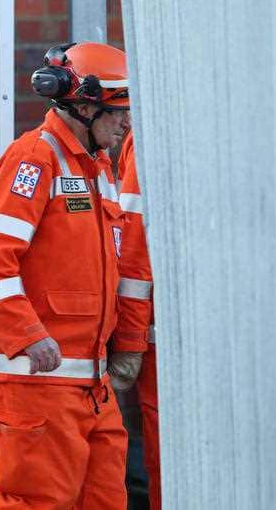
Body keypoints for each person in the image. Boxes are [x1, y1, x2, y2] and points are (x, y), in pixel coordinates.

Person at [0, 41, 142, 509]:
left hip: (88, 381)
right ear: (84, 106)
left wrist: (125, 343)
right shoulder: (33, 159)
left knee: (104, 499)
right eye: (118, 111)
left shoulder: (99, 167)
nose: (126, 123)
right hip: (36, 378)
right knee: (35, 500)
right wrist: (27, 335)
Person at [116, 132, 159, 509]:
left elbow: (131, 246)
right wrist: (130, 341)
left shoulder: (150, 135)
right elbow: (133, 249)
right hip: (168, 343)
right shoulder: (152, 136)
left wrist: (129, 342)